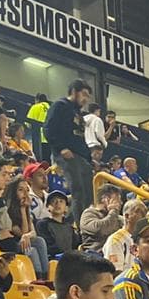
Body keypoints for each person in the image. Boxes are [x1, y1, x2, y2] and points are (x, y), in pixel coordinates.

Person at [46, 81, 94, 216]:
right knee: (78, 190)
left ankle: (83, 220)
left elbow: (80, 138)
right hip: (66, 155)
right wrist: (61, 148)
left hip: (81, 157)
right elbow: (48, 129)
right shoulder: (60, 105)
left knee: (89, 192)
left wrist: (90, 159)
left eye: (88, 96)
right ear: (74, 91)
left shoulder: (78, 113)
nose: (86, 99)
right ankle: (79, 225)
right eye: (84, 94)